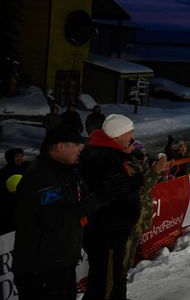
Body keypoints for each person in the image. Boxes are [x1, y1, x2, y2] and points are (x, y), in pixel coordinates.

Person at [12, 125, 121, 300]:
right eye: (77, 144)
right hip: (42, 269)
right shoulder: (42, 176)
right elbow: (57, 218)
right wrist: (100, 197)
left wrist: (110, 191)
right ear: (60, 146)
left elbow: (82, 202)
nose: (81, 148)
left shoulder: (66, 170)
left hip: (61, 262)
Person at [79, 114, 145, 300]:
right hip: (106, 232)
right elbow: (116, 189)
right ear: (117, 135)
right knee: (104, 279)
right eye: (129, 132)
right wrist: (138, 179)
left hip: (114, 229)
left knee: (112, 275)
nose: (132, 136)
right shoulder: (104, 158)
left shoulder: (112, 154)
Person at [124, 142, 169, 270]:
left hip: (137, 218)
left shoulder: (135, 162)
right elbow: (140, 187)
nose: (132, 146)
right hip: (128, 219)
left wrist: (160, 172)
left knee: (129, 257)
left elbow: (146, 184)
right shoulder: (124, 165)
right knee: (122, 260)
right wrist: (155, 172)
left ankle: (123, 278)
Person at [1, 148, 28, 234]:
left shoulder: (26, 168)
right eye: (17, 156)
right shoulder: (3, 172)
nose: (20, 158)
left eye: (21, 156)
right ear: (10, 158)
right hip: (10, 207)